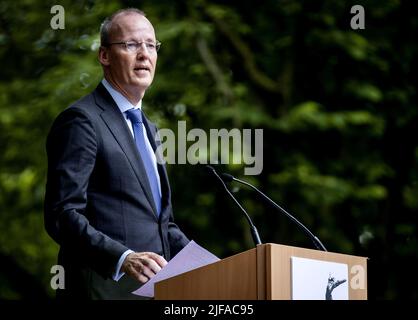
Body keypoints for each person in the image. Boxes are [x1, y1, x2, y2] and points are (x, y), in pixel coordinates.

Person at [44, 8, 190, 299]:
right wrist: (123, 258)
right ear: (105, 56)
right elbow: (62, 214)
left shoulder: (148, 128)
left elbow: (161, 224)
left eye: (151, 45)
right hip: (100, 291)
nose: (144, 54)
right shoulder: (82, 120)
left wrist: (215, 267)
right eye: (131, 44)